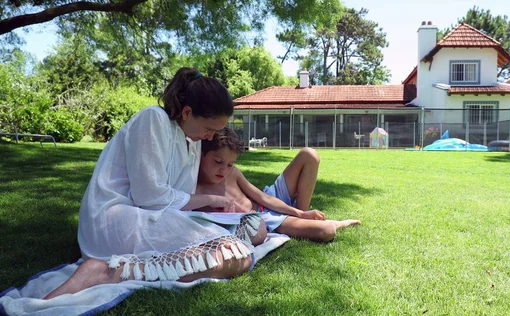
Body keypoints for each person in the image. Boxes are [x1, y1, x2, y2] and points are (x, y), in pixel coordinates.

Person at [44, 68, 257, 300]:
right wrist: (211, 200)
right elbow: (150, 197)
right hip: (114, 218)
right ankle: (107, 273)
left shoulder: (192, 140)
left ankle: (116, 271)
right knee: (234, 256)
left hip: (149, 215)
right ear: (187, 112)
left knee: (246, 240)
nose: (210, 137)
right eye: (209, 128)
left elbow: (178, 197)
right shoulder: (153, 119)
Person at [196, 128, 361, 242]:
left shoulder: (232, 173)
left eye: (230, 164)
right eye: (218, 162)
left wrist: (298, 213)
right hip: (265, 220)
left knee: (309, 154)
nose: (223, 169)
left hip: (269, 200)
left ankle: (302, 215)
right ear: (200, 155)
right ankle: (334, 223)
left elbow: (262, 197)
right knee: (327, 231)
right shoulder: (195, 191)